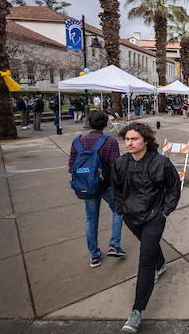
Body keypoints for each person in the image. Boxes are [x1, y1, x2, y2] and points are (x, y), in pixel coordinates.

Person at [112, 122, 181, 334]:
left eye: (135, 139)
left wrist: (165, 211)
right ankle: (161, 265)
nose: (130, 143)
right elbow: (116, 188)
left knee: (145, 258)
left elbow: (173, 187)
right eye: (127, 139)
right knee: (148, 246)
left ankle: (137, 311)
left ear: (146, 141)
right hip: (131, 217)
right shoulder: (120, 163)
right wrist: (121, 210)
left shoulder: (161, 162)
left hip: (154, 216)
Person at [68, 110, 125, 268]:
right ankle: (114, 245)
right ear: (106, 124)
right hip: (107, 185)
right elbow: (115, 167)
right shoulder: (110, 141)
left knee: (91, 220)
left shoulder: (77, 142)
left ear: (89, 123)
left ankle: (94, 256)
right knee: (118, 210)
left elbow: (71, 166)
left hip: (88, 187)